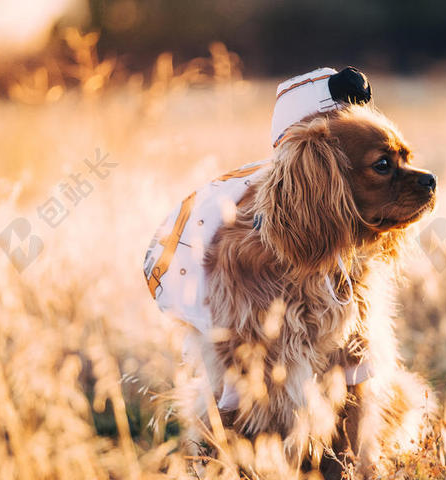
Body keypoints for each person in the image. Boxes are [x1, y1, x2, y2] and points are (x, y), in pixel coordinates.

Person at [143, 67, 373, 410]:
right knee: (241, 392)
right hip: (245, 373)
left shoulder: (360, 245)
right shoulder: (241, 236)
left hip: (342, 395)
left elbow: (359, 373)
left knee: (357, 374)